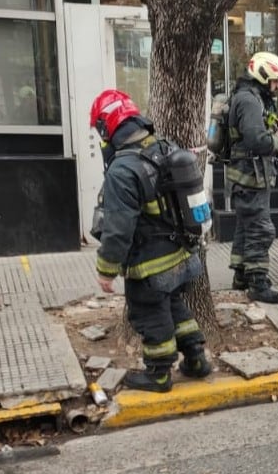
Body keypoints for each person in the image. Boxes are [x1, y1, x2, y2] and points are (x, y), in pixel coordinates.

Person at [90, 89, 211, 393]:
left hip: (150, 265)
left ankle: (158, 374)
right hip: (182, 256)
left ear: (107, 128)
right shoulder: (163, 147)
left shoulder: (122, 170)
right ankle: (196, 359)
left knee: (150, 315)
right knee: (175, 307)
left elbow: (118, 228)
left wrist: (106, 269)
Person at [226, 52, 278, 304]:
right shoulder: (250, 102)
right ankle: (257, 281)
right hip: (250, 178)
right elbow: (257, 141)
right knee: (260, 229)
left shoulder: (246, 97)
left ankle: (241, 275)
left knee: (246, 227)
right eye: (274, 81)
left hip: (246, 176)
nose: (276, 87)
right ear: (263, 77)